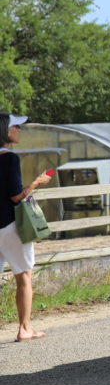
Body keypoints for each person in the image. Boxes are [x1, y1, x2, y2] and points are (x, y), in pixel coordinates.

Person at [1, 111, 53, 341]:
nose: (20, 131)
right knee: (24, 277)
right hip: (10, 226)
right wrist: (36, 183)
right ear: (6, 131)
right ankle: (24, 328)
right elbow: (15, 196)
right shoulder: (10, 158)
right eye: (17, 127)